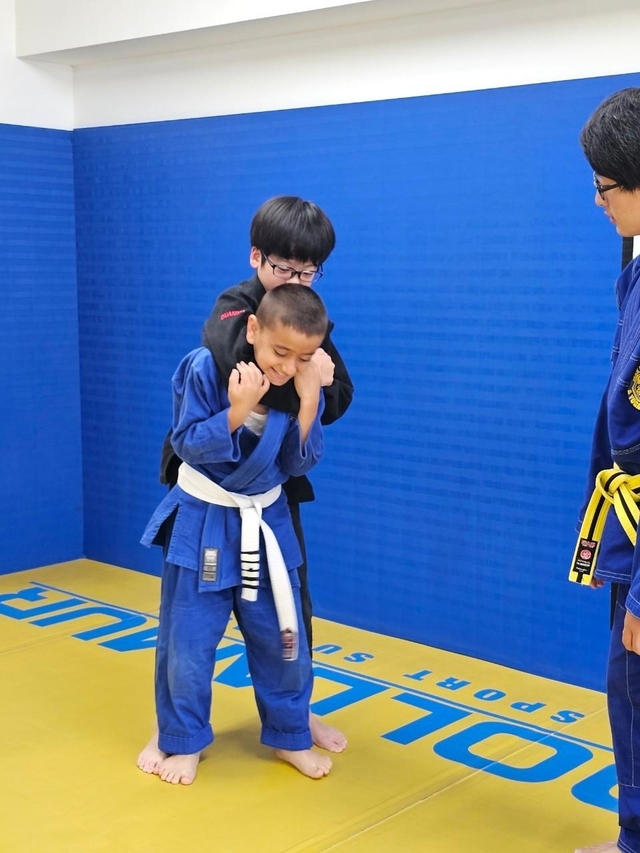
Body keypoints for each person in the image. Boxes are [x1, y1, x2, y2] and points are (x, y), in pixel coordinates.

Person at [157, 196, 353, 756]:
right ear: (256, 257)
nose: (295, 280)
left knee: (288, 616)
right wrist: (291, 381)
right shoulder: (234, 312)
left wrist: (311, 392)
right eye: (284, 267)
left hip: (269, 496)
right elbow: (231, 367)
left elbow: (341, 395)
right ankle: (176, 730)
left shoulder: (308, 323)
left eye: (307, 272)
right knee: (189, 630)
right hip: (208, 497)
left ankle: (295, 718)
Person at [138, 285, 334, 785]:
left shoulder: (300, 382)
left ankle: (290, 734)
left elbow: (296, 464)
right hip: (204, 521)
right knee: (188, 641)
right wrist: (236, 410)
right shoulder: (205, 366)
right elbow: (186, 443)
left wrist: (310, 399)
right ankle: (181, 740)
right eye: (280, 352)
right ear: (252, 330)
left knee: (284, 638)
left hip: (267, 523)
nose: (287, 366)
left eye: (304, 357)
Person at [571, 88, 640, 853]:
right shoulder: (637, 275)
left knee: (637, 686)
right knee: (627, 686)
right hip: (628, 521)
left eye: (606, 185)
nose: (599, 200)